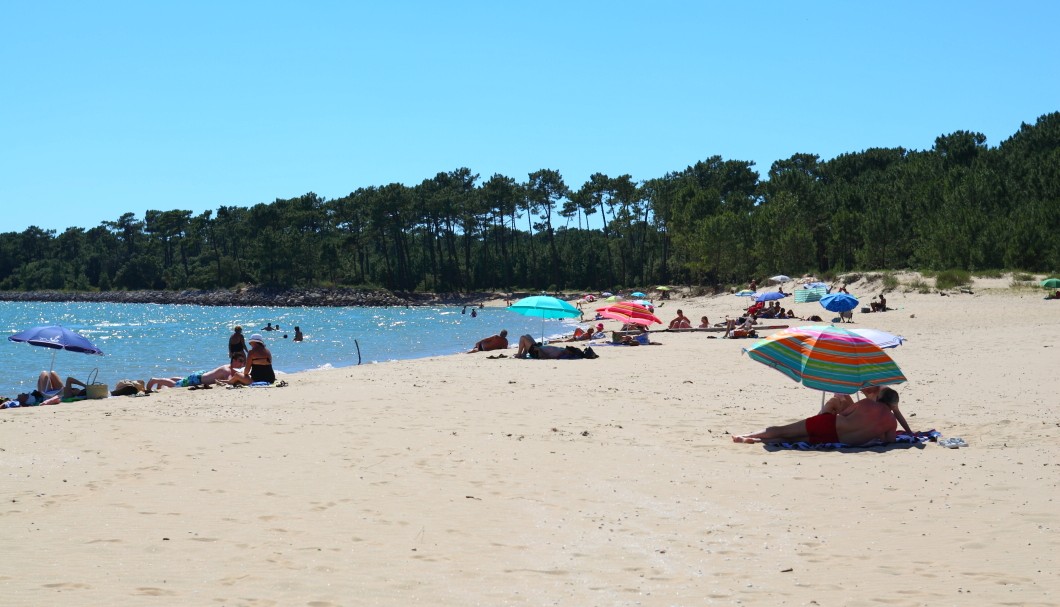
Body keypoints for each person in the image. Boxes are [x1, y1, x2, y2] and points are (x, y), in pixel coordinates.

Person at [733, 387, 904, 445]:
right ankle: (756, 441)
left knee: (784, 430)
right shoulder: (891, 422)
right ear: (892, 405)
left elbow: (844, 414)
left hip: (830, 424)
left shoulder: (867, 404)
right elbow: (888, 441)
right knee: (791, 441)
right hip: (837, 440)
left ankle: (748, 436)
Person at [146, 354, 253, 391]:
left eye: (243, 362)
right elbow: (230, 380)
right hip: (198, 379)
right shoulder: (227, 370)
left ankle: (162, 382)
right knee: (177, 385)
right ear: (234, 360)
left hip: (201, 375)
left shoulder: (229, 367)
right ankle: (155, 380)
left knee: (184, 379)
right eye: (240, 361)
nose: (242, 364)